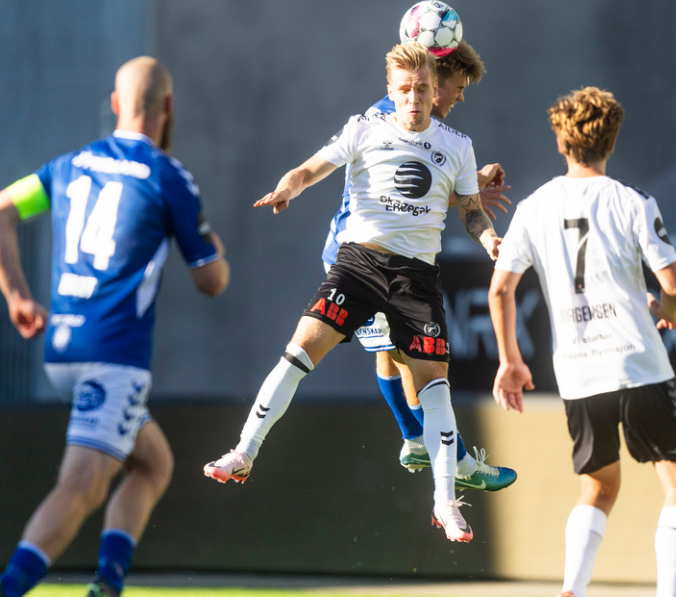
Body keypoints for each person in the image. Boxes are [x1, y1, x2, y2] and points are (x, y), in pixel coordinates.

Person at [205, 41, 499, 543]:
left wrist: (491, 238)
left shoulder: (457, 145)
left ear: (433, 91)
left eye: (423, 89)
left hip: (416, 278)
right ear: (390, 90)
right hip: (358, 265)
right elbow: (310, 169)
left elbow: (471, 209)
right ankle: (244, 452)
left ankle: (445, 501)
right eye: (404, 90)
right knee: (298, 352)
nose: (413, 99)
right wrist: (288, 188)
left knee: (434, 387)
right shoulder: (364, 127)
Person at [0, 56, 229, 597]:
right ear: (167, 107)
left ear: (115, 104)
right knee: (83, 485)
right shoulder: (169, 177)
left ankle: (108, 584)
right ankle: (6, 591)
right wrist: (213, 246)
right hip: (113, 357)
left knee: (153, 462)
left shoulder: (68, 167)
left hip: (62, 347)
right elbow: (211, 280)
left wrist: (19, 297)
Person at [488, 87, 676, 597]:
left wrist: (510, 361)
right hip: (638, 363)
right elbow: (673, 286)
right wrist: (667, 313)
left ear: (561, 144)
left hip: (579, 371)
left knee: (598, 487)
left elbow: (501, 288)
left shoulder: (534, 207)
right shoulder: (630, 201)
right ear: (612, 140)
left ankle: (572, 588)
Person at [323, 39, 516, 492]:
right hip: (358, 254)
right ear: (436, 80)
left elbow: (414, 181)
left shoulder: (423, 124)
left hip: (385, 255)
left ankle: (413, 438)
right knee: (412, 358)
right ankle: (455, 457)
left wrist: (468, 190)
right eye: (458, 86)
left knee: (394, 352)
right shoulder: (386, 113)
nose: (461, 97)